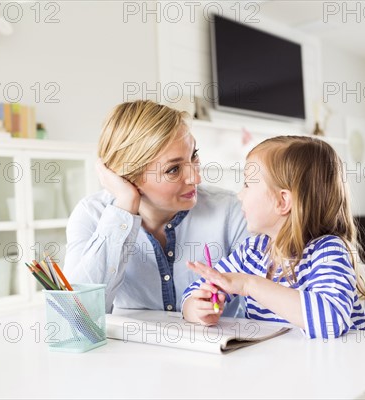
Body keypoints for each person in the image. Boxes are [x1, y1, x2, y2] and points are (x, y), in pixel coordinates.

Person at [64, 100, 248, 314]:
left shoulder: (230, 211)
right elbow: (78, 315)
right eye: (173, 170)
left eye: (194, 155)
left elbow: (265, 306)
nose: (196, 177)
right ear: (129, 177)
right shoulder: (92, 215)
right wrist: (124, 206)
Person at [181, 136, 365, 339]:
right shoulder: (252, 251)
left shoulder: (328, 252)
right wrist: (200, 309)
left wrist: (249, 285)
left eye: (247, 185)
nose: (239, 195)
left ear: (282, 201)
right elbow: (193, 293)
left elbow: (330, 321)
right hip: (277, 365)